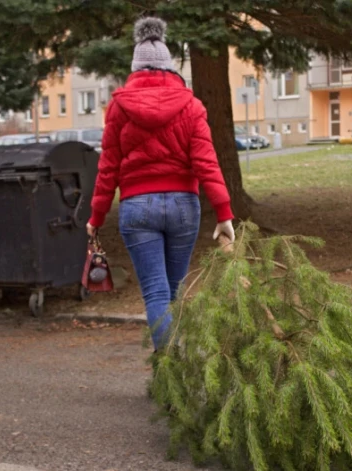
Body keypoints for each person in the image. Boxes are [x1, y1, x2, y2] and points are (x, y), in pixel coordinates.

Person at [86, 17, 235, 350]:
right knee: (174, 291)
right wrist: (224, 213)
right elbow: (206, 162)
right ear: (170, 67)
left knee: (155, 292)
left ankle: (170, 374)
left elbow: (108, 167)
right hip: (184, 205)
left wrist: (96, 218)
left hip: (137, 207)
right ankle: (177, 379)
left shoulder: (118, 108)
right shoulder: (191, 105)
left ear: (135, 68)